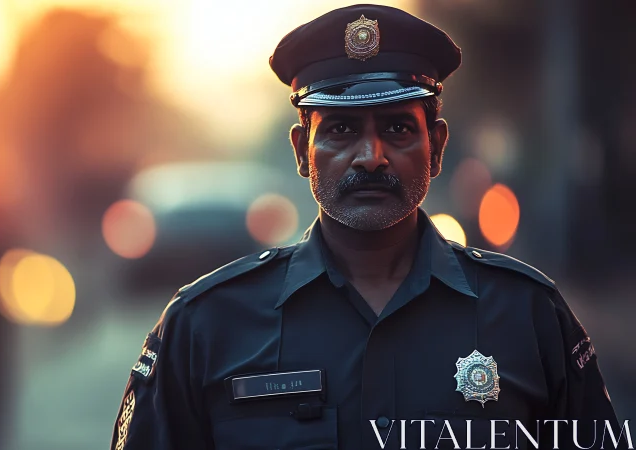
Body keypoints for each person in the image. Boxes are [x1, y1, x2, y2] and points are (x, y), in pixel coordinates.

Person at [110, 5, 622, 449]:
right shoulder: (204, 327)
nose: (371, 156)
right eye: (340, 129)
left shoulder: (529, 317)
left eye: (398, 128)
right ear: (301, 152)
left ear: (437, 147)